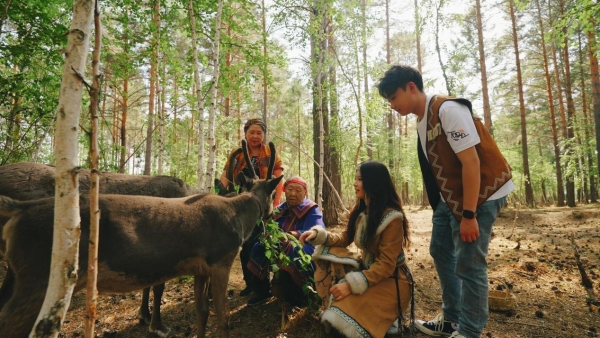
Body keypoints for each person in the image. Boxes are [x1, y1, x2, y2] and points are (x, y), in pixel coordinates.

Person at [376, 65, 514, 338]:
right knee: (440, 247)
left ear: (411, 87)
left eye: (394, 97)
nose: (392, 105)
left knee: (470, 262)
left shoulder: (448, 110)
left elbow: (471, 163)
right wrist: (446, 207)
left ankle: (470, 331)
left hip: (482, 193)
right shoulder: (422, 120)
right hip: (452, 199)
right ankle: (451, 319)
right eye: (388, 100)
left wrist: (469, 215)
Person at [300, 161, 413, 338]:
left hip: (392, 282)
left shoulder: (393, 218)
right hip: (368, 274)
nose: (354, 183)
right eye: (355, 179)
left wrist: (351, 285)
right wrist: (318, 235)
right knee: (336, 313)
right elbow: (345, 238)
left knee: (342, 325)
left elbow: (386, 264)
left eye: (359, 179)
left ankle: (391, 320)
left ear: (373, 182)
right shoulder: (362, 210)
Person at [219, 117, 284, 297]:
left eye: (259, 133)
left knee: (260, 243)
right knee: (244, 245)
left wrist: (276, 202)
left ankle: (262, 284)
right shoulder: (237, 153)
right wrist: (220, 193)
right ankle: (250, 283)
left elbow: (278, 177)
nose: (255, 136)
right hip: (241, 205)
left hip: (262, 205)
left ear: (263, 135)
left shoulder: (270, 153)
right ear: (246, 133)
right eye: (251, 132)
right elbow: (226, 174)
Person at [246, 176, 325, 307]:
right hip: (281, 244)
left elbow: (316, 230)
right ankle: (262, 291)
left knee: (290, 250)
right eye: (290, 189)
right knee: (259, 246)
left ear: (305, 193)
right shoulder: (281, 208)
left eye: (298, 190)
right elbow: (271, 226)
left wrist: (292, 235)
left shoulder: (312, 209)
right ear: (284, 190)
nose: (293, 193)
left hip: (305, 246)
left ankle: (297, 296)